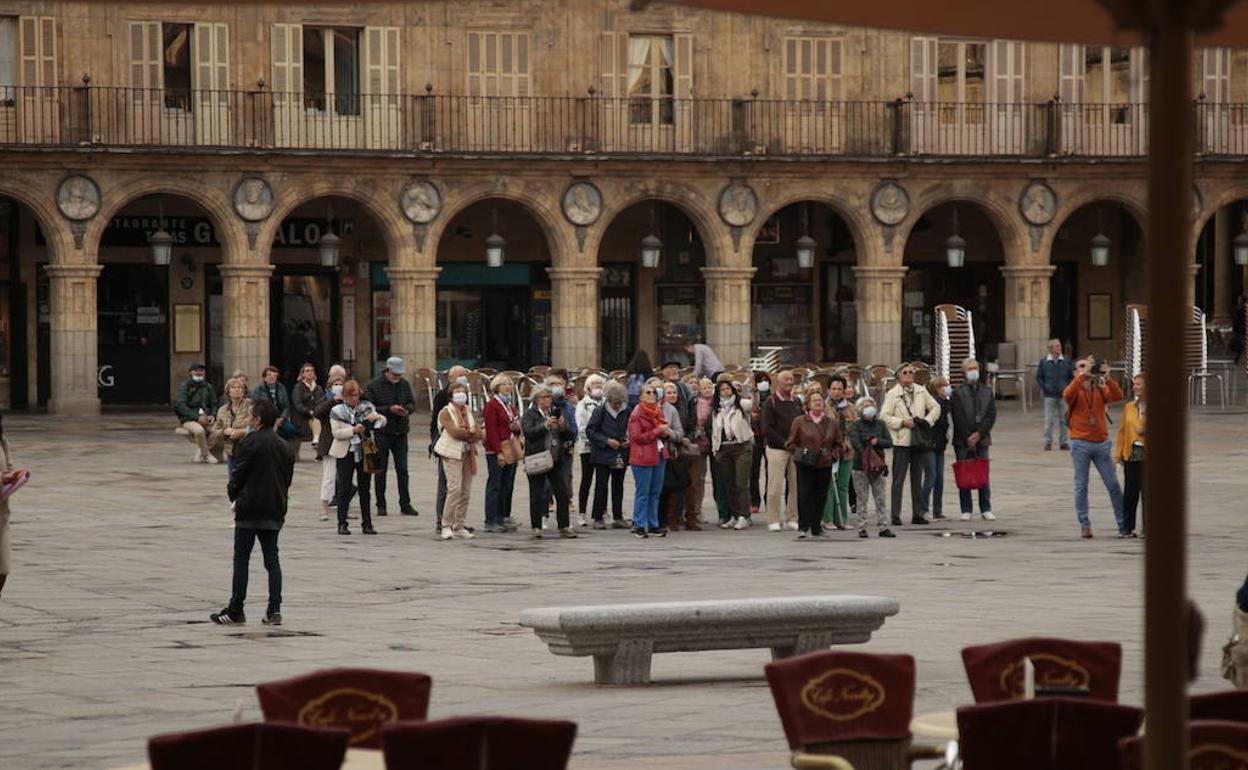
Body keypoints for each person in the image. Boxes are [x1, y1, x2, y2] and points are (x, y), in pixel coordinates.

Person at [210, 399, 294, 626]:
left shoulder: (250, 441)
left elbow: (239, 474)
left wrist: (233, 494)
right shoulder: (283, 445)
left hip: (250, 508)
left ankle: (236, 608)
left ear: (257, 419)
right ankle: (274, 609)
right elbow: (287, 479)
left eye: (250, 415)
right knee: (272, 560)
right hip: (274, 508)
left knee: (242, 559)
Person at [1063, 356, 1125, 539]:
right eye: (1081, 366)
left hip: (1101, 443)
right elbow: (1066, 395)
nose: (1086, 369)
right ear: (1075, 372)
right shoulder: (1074, 389)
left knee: (1113, 484)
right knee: (1081, 485)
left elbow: (1118, 396)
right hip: (1080, 443)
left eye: (1088, 366)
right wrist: (1083, 375)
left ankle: (1123, 523)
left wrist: (1108, 376)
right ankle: (1085, 524)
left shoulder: (1100, 387)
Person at [880, 363, 940, 526]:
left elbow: (936, 407)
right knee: (898, 479)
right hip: (901, 441)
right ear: (899, 376)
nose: (909, 375)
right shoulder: (893, 394)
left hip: (918, 439)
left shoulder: (921, 390)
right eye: (905, 372)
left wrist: (926, 421)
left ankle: (917, 513)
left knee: (917, 477)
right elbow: (884, 416)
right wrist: (901, 422)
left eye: (911, 372)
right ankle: (895, 514)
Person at [328, 380, 386, 536]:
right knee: (344, 488)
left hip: (364, 450)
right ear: (345, 396)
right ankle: (342, 523)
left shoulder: (366, 407)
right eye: (351, 396)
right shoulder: (337, 411)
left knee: (365, 488)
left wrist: (376, 417)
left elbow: (382, 422)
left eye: (356, 395)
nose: (354, 399)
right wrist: (353, 430)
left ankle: (367, 523)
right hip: (345, 451)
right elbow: (336, 433)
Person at [364, 357, 419, 518]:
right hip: (382, 432)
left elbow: (411, 403)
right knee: (380, 470)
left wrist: (406, 410)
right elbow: (369, 408)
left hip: (401, 432)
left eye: (399, 374)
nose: (397, 377)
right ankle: (381, 504)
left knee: (403, 470)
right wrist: (389, 409)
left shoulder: (404, 384)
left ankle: (405, 503)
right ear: (387, 370)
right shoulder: (374, 385)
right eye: (395, 374)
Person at [522, 384, 577, 539]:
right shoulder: (530, 414)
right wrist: (545, 425)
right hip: (537, 458)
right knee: (537, 494)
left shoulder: (556, 413)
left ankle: (564, 526)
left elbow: (570, 435)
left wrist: (562, 426)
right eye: (544, 397)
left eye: (549, 397)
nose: (548, 400)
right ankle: (536, 527)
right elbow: (529, 433)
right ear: (536, 399)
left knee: (562, 493)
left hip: (555, 458)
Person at [785, 391, 842, 539]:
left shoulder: (832, 422)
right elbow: (790, 443)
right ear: (808, 404)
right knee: (805, 495)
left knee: (821, 495)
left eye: (820, 400)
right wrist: (802, 452)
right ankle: (803, 526)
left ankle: (817, 526)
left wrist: (833, 455)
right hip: (806, 463)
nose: (817, 402)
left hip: (824, 463)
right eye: (814, 400)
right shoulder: (800, 421)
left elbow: (838, 444)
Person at [433, 381, 482, 541]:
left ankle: (459, 525)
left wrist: (472, 432)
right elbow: (455, 432)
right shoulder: (445, 412)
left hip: (467, 453)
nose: (461, 394)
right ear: (451, 395)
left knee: (465, 491)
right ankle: (446, 525)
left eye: (464, 391)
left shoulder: (467, 410)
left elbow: (479, 431)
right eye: (457, 392)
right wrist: (471, 433)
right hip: (451, 453)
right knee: (454, 489)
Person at [950, 358, 997, 522]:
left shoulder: (987, 391)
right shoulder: (957, 392)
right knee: (964, 473)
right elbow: (957, 417)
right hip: (963, 440)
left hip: (982, 439)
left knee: (983, 474)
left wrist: (979, 434)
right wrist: (968, 437)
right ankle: (966, 508)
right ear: (964, 372)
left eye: (975, 368)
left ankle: (986, 508)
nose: (973, 371)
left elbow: (991, 415)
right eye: (969, 368)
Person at [760, 369, 803, 533]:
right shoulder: (771, 402)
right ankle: (773, 519)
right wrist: (785, 443)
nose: (789, 382)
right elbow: (767, 428)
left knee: (796, 485)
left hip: (795, 449)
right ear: (778, 382)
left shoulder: (797, 401)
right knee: (775, 486)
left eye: (791, 379)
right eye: (786, 379)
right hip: (777, 448)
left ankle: (792, 517)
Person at [628, 379, 671, 538]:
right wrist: (657, 431)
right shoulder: (636, 414)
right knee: (643, 492)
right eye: (648, 392)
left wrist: (664, 430)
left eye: (654, 392)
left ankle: (653, 524)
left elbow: (664, 425)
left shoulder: (658, 411)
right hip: (643, 456)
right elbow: (637, 437)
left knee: (655, 492)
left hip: (659, 454)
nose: (652, 394)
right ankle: (639, 524)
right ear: (641, 397)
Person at [586, 381, 631, 529]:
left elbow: (630, 428)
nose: (617, 405)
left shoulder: (627, 410)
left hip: (620, 453)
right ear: (608, 400)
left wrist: (627, 440)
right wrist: (606, 441)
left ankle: (618, 517)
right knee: (601, 486)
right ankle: (598, 517)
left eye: (619, 402)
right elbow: (591, 431)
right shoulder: (600, 411)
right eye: (614, 403)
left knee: (618, 486)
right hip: (603, 453)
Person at [848, 396, 895, 539]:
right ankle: (862, 527)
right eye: (865, 406)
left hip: (878, 467)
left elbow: (889, 442)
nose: (869, 409)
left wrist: (877, 441)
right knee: (861, 498)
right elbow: (856, 443)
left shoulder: (881, 424)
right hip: (860, 467)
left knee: (880, 497)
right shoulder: (856, 425)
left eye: (871, 405)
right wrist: (867, 455)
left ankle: (883, 526)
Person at [431, 365, 469, 533]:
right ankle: (442, 520)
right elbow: (436, 423)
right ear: (451, 378)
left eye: (465, 375)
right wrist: (434, 442)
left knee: (462, 487)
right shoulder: (442, 397)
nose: (463, 378)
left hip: (464, 449)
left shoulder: (465, 401)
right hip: (447, 447)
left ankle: (457, 521)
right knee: (446, 484)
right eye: (460, 375)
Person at [712, 380, 755, 530]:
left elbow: (753, 404)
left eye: (728, 388)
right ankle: (735, 515)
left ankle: (745, 515)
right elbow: (715, 432)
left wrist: (754, 391)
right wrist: (715, 450)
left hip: (741, 446)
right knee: (729, 483)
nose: (725, 392)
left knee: (740, 482)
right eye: (722, 389)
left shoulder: (740, 404)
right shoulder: (717, 410)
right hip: (724, 448)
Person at [482, 375, 521, 533]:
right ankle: (491, 519)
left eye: (509, 384)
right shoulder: (492, 405)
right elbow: (491, 430)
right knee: (495, 484)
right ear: (496, 387)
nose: (507, 387)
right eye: (504, 384)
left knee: (507, 484)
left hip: (510, 447)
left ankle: (502, 516)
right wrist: (498, 451)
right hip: (497, 449)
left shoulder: (509, 405)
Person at [543, 372, 580, 527]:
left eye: (558, 384)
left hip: (563, 450)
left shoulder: (567, 406)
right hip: (545, 450)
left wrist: (564, 427)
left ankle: (563, 521)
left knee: (563, 486)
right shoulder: (540, 405)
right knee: (545, 486)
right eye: (552, 385)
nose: (556, 388)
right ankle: (542, 516)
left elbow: (574, 430)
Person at [822, 376, 857, 530]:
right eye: (833, 389)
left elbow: (856, 429)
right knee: (829, 485)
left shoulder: (851, 408)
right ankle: (827, 518)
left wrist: (847, 443)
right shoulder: (822, 406)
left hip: (847, 452)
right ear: (828, 390)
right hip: (829, 452)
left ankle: (842, 518)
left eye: (839, 389)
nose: (836, 392)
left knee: (843, 486)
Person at [1114, 372, 1146, 538]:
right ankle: (1127, 528)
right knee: (1130, 492)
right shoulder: (1129, 407)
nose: (1135, 387)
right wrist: (1118, 455)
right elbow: (1121, 432)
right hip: (1132, 454)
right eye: (1134, 384)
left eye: (1138, 384)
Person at [657, 380, 690, 532]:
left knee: (670, 487)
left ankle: (669, 518)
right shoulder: (641, 409)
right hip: (649, 453)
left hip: (669, 452)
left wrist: (667, 432)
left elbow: (679, 432)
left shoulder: (671, 410)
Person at [574, 374, 607, 527]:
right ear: (588, 387)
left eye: (600, 384)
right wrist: (593, 439)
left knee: (602, 481)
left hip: (603, 447)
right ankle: (582, 512)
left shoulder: (606, 403)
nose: (597, 387)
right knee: (586, 479)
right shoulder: (583, 404)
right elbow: (580, 426)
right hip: (587, 446)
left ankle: (600, 511)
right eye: (594, 384)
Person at [682, 378, 714, 531]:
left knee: (700, 479)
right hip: (692, 443)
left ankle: (697, 509)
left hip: (707, 444)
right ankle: (687, 510)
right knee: (690, 479)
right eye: (704, 387)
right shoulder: (692, 403)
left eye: (710, 386)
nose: (707, 389)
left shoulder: (713, 403)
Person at [175, 363, 221, 464]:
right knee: (199, 431)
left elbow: (214, 403)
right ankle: (207, 455)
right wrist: (196, 417)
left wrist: (212, 415)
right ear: (191, 372)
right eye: (196, 370)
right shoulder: (185, 386)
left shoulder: (208, 387)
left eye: (201, 371)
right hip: (189, 419)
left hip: (206, 417)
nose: (199, 373)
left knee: (218, 431)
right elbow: (181, 406)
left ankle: (202, 451)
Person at [314, 375, 345, 522]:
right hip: (329, 443)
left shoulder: (347, 400)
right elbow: (318, 413)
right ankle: (324, 507)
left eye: (341, 384)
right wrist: (333, 400)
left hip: (344, 442)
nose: (338, 386)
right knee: (329, 477)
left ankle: (342, 506)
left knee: (345, 477)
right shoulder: (325, 399)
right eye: (335, 384)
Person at [921, 376, 952, 521]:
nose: (947, 388)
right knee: (931, 476)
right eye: (944, 386)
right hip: (931, 444)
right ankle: (923, 509)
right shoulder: (933, 403)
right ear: (937, 389)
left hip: (940, 444)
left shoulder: (946, 403)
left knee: (939, 478)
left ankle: (937, 510)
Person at [1036, 338, 1075, 451]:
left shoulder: (1066, 361)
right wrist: (1045, 388)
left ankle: (1063, 442)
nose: (1059, 348)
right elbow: (1039, 377)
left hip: (1063, 395)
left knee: (1064, 419)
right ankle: (1048, 441)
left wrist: (1067, 388)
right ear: (1050, 348)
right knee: (1049, 420)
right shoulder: (1044, 362)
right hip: (1049, 395)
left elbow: (1071, 376)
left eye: (1060, 346)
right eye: (1057, 346)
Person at [212, 377, 253, 480]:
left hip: (249, 449)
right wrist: (224, 431)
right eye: (233, 387)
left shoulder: (251, 406)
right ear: (228, 391)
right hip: (231, 450)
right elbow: (216, 431)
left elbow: (257, 426)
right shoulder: (222, 410)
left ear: (244, 391)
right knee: (234, 481)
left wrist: (243, 432)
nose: (237, 389)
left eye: (240, 387)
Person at [289, 363, 323, 461]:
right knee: (316, 420)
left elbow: (322, 402)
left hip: (316, 417)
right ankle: (316, 441)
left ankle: (318, 445)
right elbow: (298, 405)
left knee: (319, 421)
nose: (310, 373)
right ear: (302, 374)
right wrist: (310, 412)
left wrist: (316, 411)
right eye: (307, 371)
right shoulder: (298, 388)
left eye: (312, 371)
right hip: (301, 418)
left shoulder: (318, 388)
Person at [749, 372, 771, 514]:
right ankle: (754, 500)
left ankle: (769, 500)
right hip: (755, 437)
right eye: (760, 381)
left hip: (769, 438)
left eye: (765, 380)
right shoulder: (751, 397)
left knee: (771, 472)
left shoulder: (772, 398)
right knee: (753, 471)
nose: (763, 383)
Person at [0, 415, 16, 597]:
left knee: (2, 570)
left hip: (1, 515)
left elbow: (8, 466)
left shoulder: (2, 438)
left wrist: (14, 476)